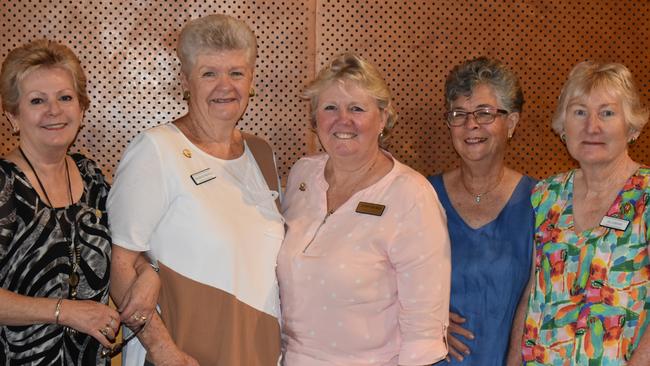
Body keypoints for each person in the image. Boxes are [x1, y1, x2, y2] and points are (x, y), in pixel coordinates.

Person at [107, 14, 284, 366]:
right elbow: (119, 263)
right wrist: (161, 349)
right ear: (186, 81)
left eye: (236, 73)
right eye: (209, 73)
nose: (225, 86)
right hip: (182, 354)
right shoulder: (156, 150)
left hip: (255, 350)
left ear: (251, 81)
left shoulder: (262, 153)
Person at [277, 52, 451, 365]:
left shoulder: (411, 195)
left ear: (382, 118)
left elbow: (423, 330)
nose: (342, 120)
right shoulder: (302, 176)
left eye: (356, 108)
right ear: (315, 119)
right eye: (330, 107)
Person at [0, 39, 129, 364]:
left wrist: (150, 273)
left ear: (82, 109)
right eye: (37, 100)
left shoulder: (90, 176)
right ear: (13, 116)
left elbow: (129, 243)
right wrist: (64, 312)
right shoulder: (5, 185)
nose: (54, 110)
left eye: (65, 98)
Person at [520, 61, 650, 365]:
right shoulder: (545, 196)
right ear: (563, 126)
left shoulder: (646, 195)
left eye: (607, 113)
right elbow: (530, 296)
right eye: (579, 112)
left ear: (631, 127)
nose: (592, 126)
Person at [426, 57, 536, 365]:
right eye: (459, 114)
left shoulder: (542, 202)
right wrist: (422, 319)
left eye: (485, 113)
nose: (471, 125)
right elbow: (380, 278)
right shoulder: (420, 195)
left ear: (511, 123)